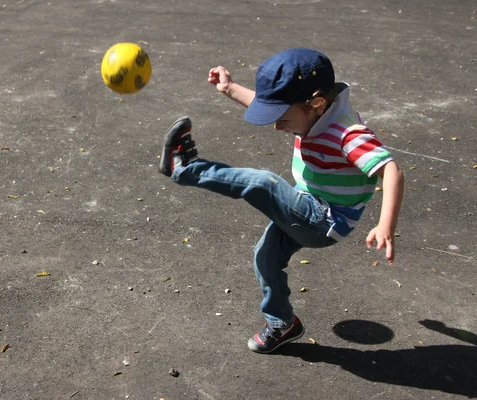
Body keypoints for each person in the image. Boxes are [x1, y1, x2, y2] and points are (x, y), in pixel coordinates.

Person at [158, 48, 405, 354]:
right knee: (266, 257)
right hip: (306, 203)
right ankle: (283, 324)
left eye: (283, 119)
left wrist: (385, 225)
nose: (277, 127)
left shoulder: (348, 135)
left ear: (316, 104)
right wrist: (230, 88)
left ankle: (184, 169)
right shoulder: (312, 113)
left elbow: (391, 170)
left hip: (324, 220)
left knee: (263, 183)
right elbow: (278, 109)